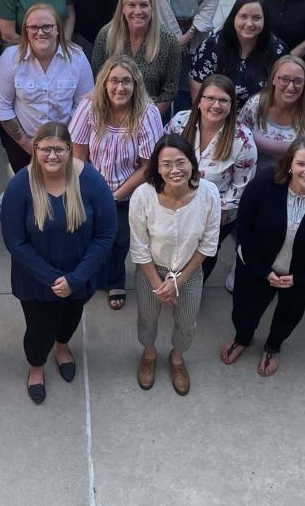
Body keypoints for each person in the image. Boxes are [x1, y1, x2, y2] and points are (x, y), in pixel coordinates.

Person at [1, 122, 117, 404]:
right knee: (39, 329)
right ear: (35, 149)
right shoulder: (20, 185)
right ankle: (36, 366)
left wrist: (76, 279)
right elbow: (14, 241)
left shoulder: (90, 181)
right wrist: (54, 279)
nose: (52, 156)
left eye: (59, 149)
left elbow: (106, 233)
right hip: (36, 280)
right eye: (45, 149)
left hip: (81, 276)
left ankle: (62, 347)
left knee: (69, 320)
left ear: (69, 149)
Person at [221, 137, 305, 376]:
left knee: (289, 313)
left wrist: (300, 279)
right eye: (301, 163)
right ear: (290, 164)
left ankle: (273, 346)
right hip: (256, 266)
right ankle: (242, 338)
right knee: (244, 310)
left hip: (304, 277)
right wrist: (263, 270)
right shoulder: (264, 183)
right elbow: (245, 228)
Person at [69, 56, 164, 309]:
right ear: (104, 83)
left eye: (126, 81)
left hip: (130, 192)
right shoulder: (88, 108)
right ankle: (93, 272)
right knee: (90, 236)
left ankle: (115, 279)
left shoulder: (147, 113)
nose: (119, 88)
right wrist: (96, 192)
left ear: (136, 84)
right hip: (90, 186)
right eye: (114, 81)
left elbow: (148, 167)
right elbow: (78, 156)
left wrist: (115, 196)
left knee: (120, 240)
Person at [130, 134, 221, 395]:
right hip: (151, 272)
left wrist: (177, 282)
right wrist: (159, 285)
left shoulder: (209, 193)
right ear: (157, 167)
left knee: (187, 320)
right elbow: (139, 247)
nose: (174, 170)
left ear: (192, 163)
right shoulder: (143, 196)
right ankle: (149, 354)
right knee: (147, 318)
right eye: (166, 164)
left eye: (181, 162)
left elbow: (208, 244)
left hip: (189, 271)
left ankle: (177, 358)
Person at [165, 74, 257, 283]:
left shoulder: (242, 140)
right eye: (210, 98)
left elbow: (241, 189)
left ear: (232, 105)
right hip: (173, 205)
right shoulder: (180, 121)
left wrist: (203, 214)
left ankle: (193, 290)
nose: (216, 105)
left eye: (223, 100)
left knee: (203, 257)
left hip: (216, 215)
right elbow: (161, 159)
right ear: (200, 101)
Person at [0, 3, 95, 172]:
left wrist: (63, 144)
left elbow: (84, 106)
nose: (40, 32)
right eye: (33, 27)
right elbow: (2, 108)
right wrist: (29, 146)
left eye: (47, 26)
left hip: (67, 143)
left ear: (58, 29)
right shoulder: (10, 59)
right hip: (23, 145)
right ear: (26, 30)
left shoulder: (77, 57)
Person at [90, 0, 181, 117]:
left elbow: (169, 91)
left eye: (144, 5)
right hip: (110, 116)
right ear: (122, 8)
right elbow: (97, 79)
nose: (138, 11)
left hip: (152, 117)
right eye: (131, 5)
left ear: (152, 8)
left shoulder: (168, 41)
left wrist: (147, 121)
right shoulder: (106, 36)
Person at [188, 0, 287, 106]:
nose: (249, 24)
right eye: (243, 16)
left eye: (256, 18)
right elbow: (197, 86)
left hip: (260, 119)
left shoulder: (277, 50)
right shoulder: (212, 46)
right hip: (216, 116)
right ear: (234, 17)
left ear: (265, 20)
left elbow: (284, 91)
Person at [239, 54, 305, 171]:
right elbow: (239, 141)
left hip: (296, 175)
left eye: (298, 81)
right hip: (254, 173)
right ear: (273, 79)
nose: (291, 87)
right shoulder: (255, 105)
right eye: (285, 79)